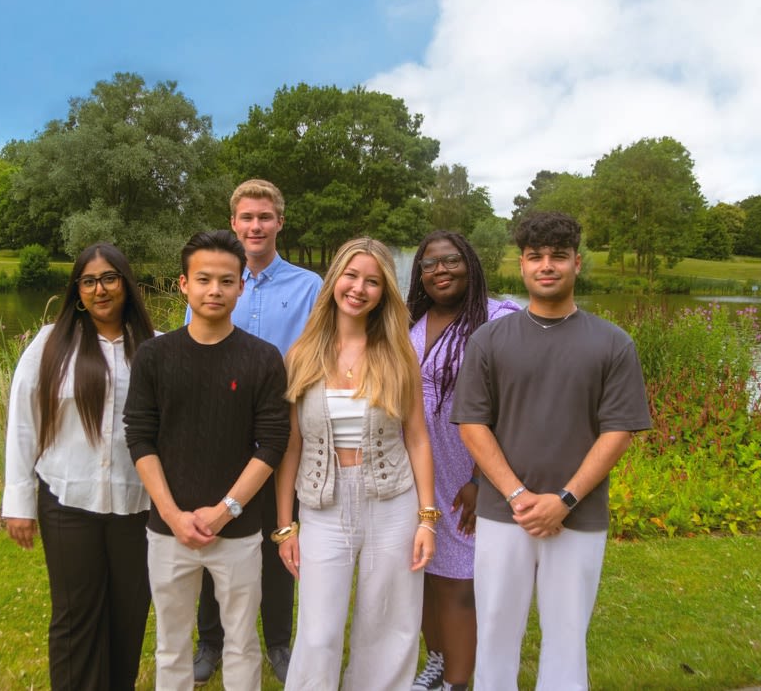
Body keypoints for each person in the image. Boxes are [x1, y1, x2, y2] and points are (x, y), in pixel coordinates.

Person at [450, 212, 652, 690]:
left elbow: (618, 431)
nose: (547, 266)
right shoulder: (490, 340)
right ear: (520, 265)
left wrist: (564, 499)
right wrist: (519, 495)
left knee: (567, 640)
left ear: (577, 263)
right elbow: (473, 425)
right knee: (496, 634)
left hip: (577, 518)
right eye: (535, 256)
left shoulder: (613, 343)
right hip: (504, 514)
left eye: (558, 257)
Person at [125, 229, 290, 691]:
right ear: (183, 284)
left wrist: (225, 511)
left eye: (226, 280)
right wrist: (173, 514)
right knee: (172, 643)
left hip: (237, 530)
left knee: (241, 641)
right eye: (203, 279)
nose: (214, 290)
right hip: (168, 530)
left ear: (241, 286)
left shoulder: (263, 359)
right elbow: (139, 437)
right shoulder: (154, 356)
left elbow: (272, 443)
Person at [276, 237, 438, 689]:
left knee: (388, 622)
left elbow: (418, 439)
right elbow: (291, 446)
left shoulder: (399, 353)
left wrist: (427, 519)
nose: (359, 288)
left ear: (384, 291)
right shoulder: (301, 355)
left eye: (373, 281)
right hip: (322, 502)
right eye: (351, 276)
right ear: (334, 282)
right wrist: (285, 525)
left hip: (392, 501)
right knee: (319, 628)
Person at [2, 242, 156, 690]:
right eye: (88, 281)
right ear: (77, 290)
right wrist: (18, 502)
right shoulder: (49, 344)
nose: (99, 289)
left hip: (136, 504)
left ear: (126, 284)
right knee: (75, 617)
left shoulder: (153, 348)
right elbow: (23, 425)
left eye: (109, 278)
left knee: (129, 613)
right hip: (67, 501)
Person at [189, 179, 322, 684]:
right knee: (213, 531)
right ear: (234, 223)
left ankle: (281, 641)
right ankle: (211, 639)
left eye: (264, 217)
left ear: (279, 222)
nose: (255, 226)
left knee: (279, 533)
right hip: (221, 427)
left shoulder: (309, 286)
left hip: (283, 428)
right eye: (246, 217)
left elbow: (316, 356)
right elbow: (196, 344)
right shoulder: (217, 280)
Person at [405, 231, 521, 691]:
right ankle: (436, 663)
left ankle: (456, 680)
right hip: (413, 464)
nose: (440, 270)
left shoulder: (497, 319)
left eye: (451, 260)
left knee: (456, 579)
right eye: (430, 264)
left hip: (465, 467)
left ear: (470, 264)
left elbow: (512, 404)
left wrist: (480, 478)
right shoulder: (411, 319)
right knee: (424, 577)